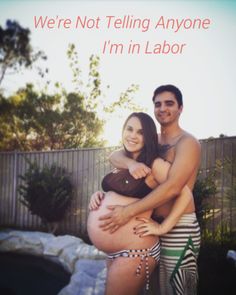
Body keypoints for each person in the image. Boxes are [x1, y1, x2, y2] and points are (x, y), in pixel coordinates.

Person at [99, 85, 201, 295]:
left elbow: (176, 188)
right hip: (151, 225)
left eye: (169, 103)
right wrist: (131, 164)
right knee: (154, 288)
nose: (162, 108)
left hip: (178, 223)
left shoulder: (187, 142)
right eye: (158, 104)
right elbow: (115, 155)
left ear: (180, 108)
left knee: (177, 288)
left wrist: (134, 215)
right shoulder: (151, 139)